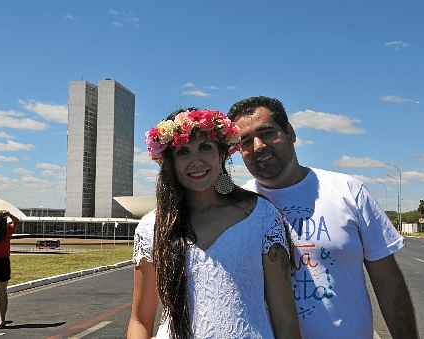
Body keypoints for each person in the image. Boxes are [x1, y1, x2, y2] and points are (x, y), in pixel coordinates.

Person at [228, 96, 419, 339]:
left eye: (267, 133)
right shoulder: (238, 206)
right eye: (245, 141)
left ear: (290, 133)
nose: (258, 146)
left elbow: (388, 284)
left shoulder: (347, 191)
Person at [127, 108, 301, 339]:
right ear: (170, 162)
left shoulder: (262, 217)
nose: (195, 161)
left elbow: (285, 318)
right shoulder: (152, 228)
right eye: (183, 152)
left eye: (205, 147)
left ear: (223, 154)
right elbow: (140, 320)